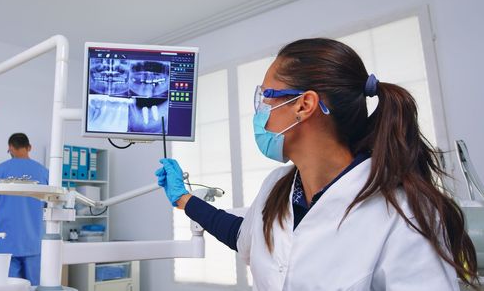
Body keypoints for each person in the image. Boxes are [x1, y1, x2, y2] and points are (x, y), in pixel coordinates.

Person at [155, 38, 478, 290]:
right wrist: (185, 199)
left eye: (266, 97)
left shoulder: (402, 213)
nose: (261, 111)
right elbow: (248, 237)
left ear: (304, 105)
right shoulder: (278, 187)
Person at [0, 133, 49, 286]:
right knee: (35, 287)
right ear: (29, 147)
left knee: (7, 287)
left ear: (10, 148)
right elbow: (48, 207)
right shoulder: (44, 173)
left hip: (5, 244)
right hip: (34, 244)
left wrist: (6, 224)